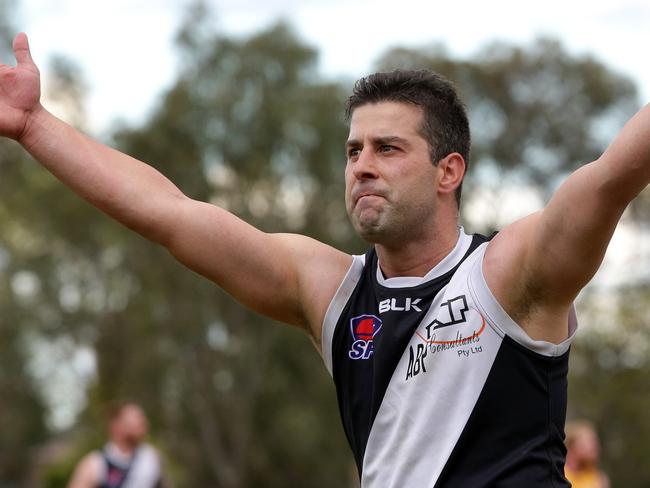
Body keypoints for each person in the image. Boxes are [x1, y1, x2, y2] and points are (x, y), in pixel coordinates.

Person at [1, 33, 648, 487]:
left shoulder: (511, 274)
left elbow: (614, 173)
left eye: (388, 148)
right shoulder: (330, 290)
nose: (362, 165)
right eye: (352, 150)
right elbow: (168, 212)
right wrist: (35, 126)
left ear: (449, 170)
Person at [67, 402, 165, 488]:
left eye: (142, 419)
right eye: (136, 418)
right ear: (116, 426)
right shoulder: (95, 464)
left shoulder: (150, 457)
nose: (143, 422)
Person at [565, 420, 610, 488]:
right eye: (590, 441)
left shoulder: (598, 479)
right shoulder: (559, 474)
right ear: (572, 445)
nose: (595, 446)